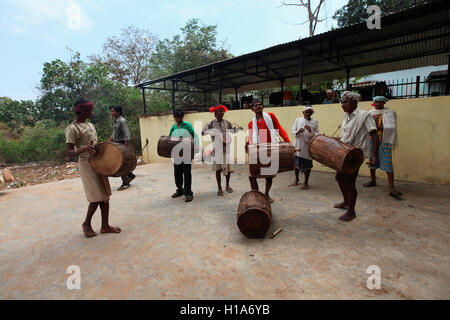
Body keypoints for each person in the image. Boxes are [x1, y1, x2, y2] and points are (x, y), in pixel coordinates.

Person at [65, 99, 121, 238]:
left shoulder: (90, 125)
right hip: (86, 164)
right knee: (96, 197)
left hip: (98, 162)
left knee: (105, 196)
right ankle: (86, 224)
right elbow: (69, 152)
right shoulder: (72, 129)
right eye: (90, 110)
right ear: (83, 112)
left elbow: (94, 143)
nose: (92, 112)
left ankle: (105, 226)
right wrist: (83, 149)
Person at [334, 91, 379, 222]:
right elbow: (345, 137)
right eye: (341, 102)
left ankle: (351, 211)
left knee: (350, 181)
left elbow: (374, 134)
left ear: (354, 101)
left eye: (345, 101)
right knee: (339, 177)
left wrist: (374, 155)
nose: (342, 104)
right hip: (345, 152)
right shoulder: (346, 117)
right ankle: (346, 202)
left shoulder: (364, 115)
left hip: (355, 154)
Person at [246, 100, 291, 203]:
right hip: (258, 151)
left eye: (260, 105)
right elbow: (251, 139)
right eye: (256, 105)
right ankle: (257, 196)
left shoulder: (270, 116)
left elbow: (279, 129)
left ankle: (266, 194)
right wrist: (249, 145)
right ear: (252, 109)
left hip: (271, 150)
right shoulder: (251, 123)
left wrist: (287, 142)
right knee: (252, 176)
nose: (259, 106)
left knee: (269, 176)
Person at [364, 96, 402, 197]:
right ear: (373, 103)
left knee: (388, 162)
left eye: (380, 102)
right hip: (372, 141)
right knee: (372, 160)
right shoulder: (370, 113)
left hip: (384, 141)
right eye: (376, 102)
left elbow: (390, 126)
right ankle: (373, 180)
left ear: (384, 103)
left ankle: (391, 187)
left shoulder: (389, 113)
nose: (378, 104)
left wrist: (378, 126)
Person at [202, 105, 243, 196]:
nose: (222, 113)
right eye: (220, 111)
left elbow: (233, 130)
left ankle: (227, 185)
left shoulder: (227, 122)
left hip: (226, 149)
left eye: (223, 111)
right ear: (215, 113)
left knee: (228, 169)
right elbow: (203, 132)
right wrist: (211, 132)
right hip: (217, 150)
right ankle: (219, 188)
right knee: (218, 169)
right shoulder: (211, 123)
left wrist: (238, 129)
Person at [169, 108, 199, 202]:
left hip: (186, 153)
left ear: (183, 117)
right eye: (177, 117)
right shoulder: (173, 128)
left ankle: (188, 193)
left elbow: (195, 135)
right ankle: (180, 190)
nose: (179, 119)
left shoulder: (187, 125)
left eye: (180, 117)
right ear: (174, 118)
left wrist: (196, 146)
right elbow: (169, 139)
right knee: (177, 173)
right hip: (176, 154)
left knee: (186, 174)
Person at [108, 105, 136, 191]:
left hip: (122, 144)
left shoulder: (122, 121)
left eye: (113, 111)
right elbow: (114, 135)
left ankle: (125, 183)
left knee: (120, 164)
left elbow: (126, 134)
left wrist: (125, 148)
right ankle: (130, 175)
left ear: (118, 112)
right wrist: (107, 142)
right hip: (117, 144)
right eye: (111, 111)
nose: (111, 113)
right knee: (120, 163)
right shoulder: (116, 121)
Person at [291, 105, 319, 189]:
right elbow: (292, 131)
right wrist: (298, 131)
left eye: (310, 112)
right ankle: (296, 179)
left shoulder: (315, 121)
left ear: (312, 113)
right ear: (303, 112)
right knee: (296, 164)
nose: (308, 113)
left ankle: (306, 182)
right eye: (306, 112)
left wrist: (310, 131)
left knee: (307, 165)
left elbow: (317, 134)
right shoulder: (298, 120)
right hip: (298, 145)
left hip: (307, 147)